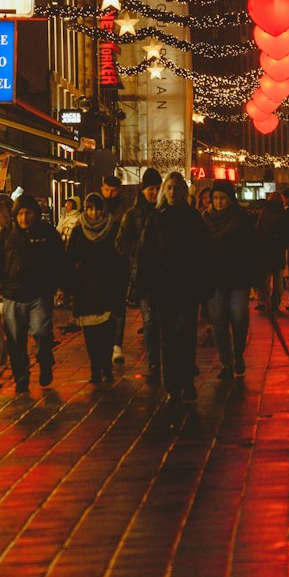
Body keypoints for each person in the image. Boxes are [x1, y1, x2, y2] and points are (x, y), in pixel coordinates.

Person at [136, 171, 213, 402]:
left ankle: (186, 380)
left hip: (187, 286)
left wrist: (203, 283)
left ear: (183, 191)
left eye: (176, 188)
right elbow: (146, 254)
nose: (172, 192)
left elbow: (203, 253)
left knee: (185, 333)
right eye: (169, 188)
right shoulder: (156, 218)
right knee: (167, 336)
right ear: (163, 191)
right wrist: (143, 286)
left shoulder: (193, 217)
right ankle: (172, 384)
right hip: (163, 287)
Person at [0, 192, 64, 394]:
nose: (24, 218)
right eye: (20, 214)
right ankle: (21, 377)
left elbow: (60, 260)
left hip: (40, 293)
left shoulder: (47, 233)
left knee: (41, 331)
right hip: (12, 293)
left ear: (35, 214)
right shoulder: (7, 233)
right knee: (15, 339)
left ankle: (45, 361)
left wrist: (62, 285)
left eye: (28, 213)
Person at [66, 192, 128, 383]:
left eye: (97, 209)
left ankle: (106, 366)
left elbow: (121, 259)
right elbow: (70, 259)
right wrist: (69, 285)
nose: (94, 213)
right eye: (90, 209)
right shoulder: (78, 232)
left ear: (103, 210)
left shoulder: (113, 228)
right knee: (91, 332)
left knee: (108, 330)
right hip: (86, 289)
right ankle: (95, 367)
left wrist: (122, 284)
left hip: (108, 287)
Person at [203, 180, 260, 376]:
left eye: (223, 198)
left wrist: (257, 278)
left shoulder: (242, 220)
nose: (219, 202)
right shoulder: (205, 220)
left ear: (230, 200)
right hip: (214, 279)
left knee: (239, 317)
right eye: (216, 198)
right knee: (218, 321)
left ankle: (238, 354)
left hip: (238, 278)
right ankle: (226, 361)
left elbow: (254, 249)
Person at [117, 167, 162, 380]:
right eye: (150, 189)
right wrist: (141, 248)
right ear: (143, 190)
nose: (153, 193)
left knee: (167, 321)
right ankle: (154, 363)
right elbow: (120, 243)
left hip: (167, 274)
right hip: (145, 275)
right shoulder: (132, 215)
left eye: (156, 188)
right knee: (150, 321)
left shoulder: (166, 211)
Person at [100, 175, 127, 364]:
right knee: (101, 306)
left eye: (114, 190)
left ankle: (117, 344)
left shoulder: (124, 209)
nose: (110, 194)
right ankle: (104, 344)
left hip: (119, 264)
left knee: (118, 306)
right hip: (99, 266)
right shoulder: (95, 206)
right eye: (107, 190)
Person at [257, 191, 287, 313]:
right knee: (278, 280)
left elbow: (258, 229)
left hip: (266, 249)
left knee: (265, 278)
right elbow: (286, 232)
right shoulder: (283, 214)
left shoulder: (264, 212)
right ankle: (276, 303)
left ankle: (264, 301)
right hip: (278, 250)